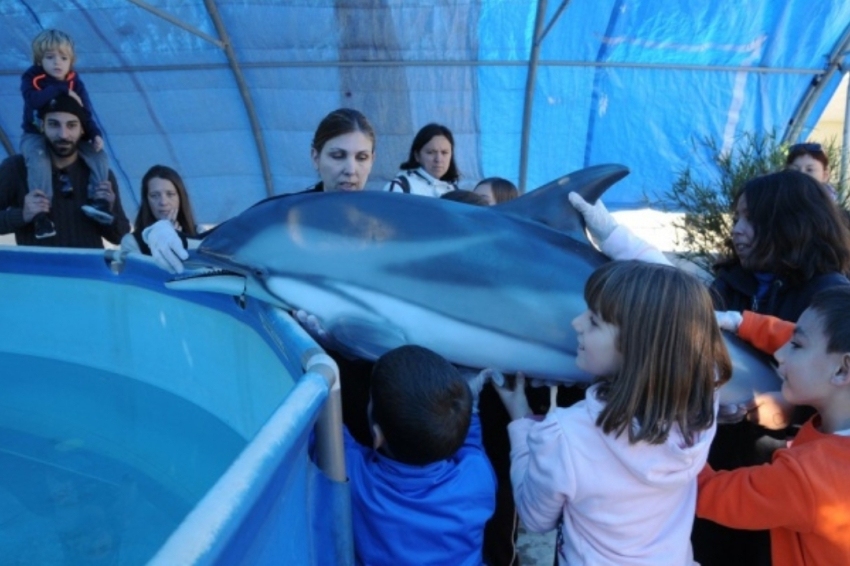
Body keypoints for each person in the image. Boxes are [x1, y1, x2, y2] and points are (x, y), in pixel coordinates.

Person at [570, 171, 850, 566]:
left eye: (749, 219)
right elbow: (682, 302)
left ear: (787, 222)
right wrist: (612, 234)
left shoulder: (828, 298)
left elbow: (821, 372)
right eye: (736, 218)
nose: (737, 230)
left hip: (760, 470)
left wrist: (788, 407)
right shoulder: (735, 281)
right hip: (720, 450)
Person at [495, 260, 731, 565]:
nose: (576, 323)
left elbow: (535, 517)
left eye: (594, 321)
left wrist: (521, 423)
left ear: (637, 347)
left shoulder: (566, 436)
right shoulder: (701, 413)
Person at [699, 289, 850, 566]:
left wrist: (675, 428)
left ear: (843, 370)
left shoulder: (806, 479)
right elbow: (814, 338)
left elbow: (708, 494)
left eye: (796, 345)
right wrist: (741, 322)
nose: (780, 354)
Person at [343, 345, 496, 565]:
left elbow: (321, 428)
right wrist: (468, 406)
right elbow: (471, 445)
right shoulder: (477, 479)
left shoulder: (353, 476)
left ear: (377, 436)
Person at [0, 93, 129, 248]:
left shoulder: (100, 173)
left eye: (72, 125)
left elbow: (121, 236)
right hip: (38, 271)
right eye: (54, 124)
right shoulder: (16, 168)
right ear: (42, 126)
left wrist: (110, 212)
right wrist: (22, 215)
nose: (63, 134)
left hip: (89, 270)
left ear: (82, 129)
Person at [20, 29, 112, 239]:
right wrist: (61, 90)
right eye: (50, 57)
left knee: (98, 155)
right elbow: (34, 101)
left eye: (63, 58)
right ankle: (42, 214)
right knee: (38, 159)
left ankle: (99, 202)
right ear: (39, 60)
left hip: (71, 141)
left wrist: (95, 133)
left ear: (72, 60)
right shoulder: (32, 78)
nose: (57, 63)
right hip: (35, 134)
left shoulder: (76, 83)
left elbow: (85, 112)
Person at [121, 165, 199, 255]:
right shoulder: (132, 242)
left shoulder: (200, 232)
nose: (163, 202)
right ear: (146, 200)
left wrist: (181, 240)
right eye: (154, 195)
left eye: (170, 194)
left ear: (180, 197)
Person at [383, 123, 459, 197]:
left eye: (444, 152)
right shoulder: (401, 187)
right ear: (417, 156)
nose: (438, 159)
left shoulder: (454, 191)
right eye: (430, 152)